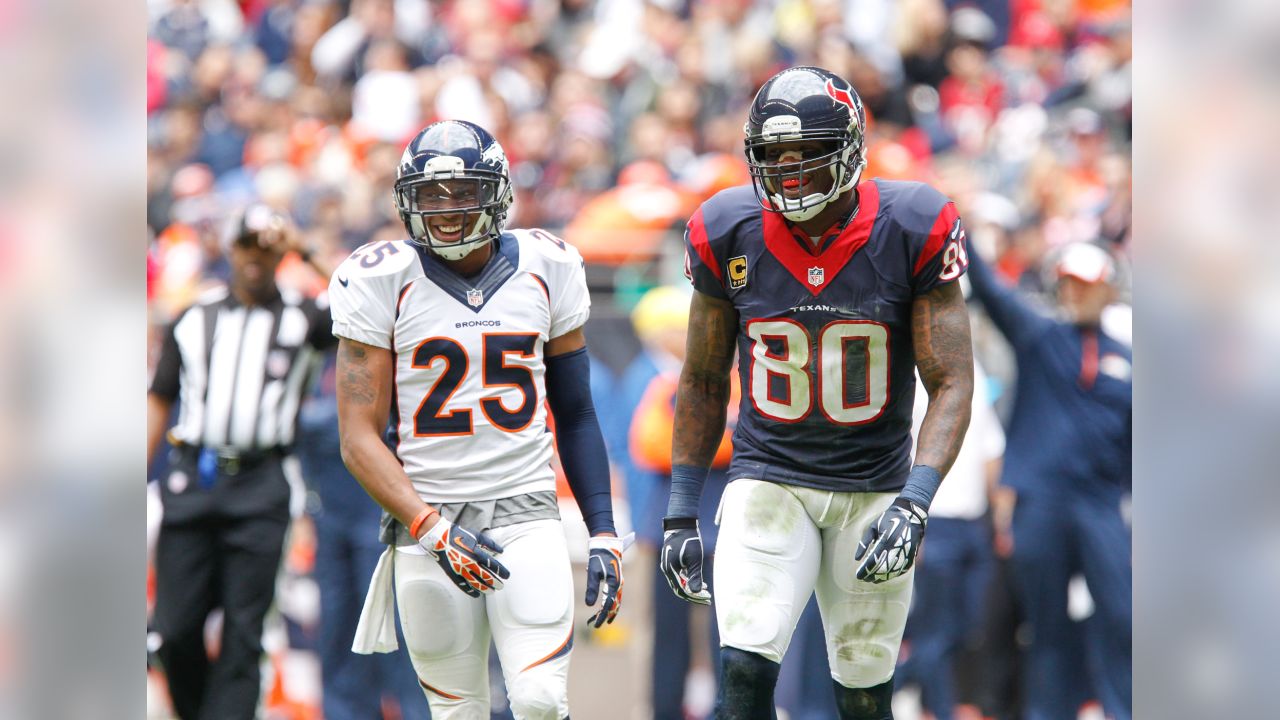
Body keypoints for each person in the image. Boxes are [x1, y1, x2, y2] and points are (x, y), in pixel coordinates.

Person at [658, 66, 975, 719]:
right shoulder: (728, 230)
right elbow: (702, 377)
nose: (790, 173)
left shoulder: (910, 225)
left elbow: (950, 379)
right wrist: (681, 509)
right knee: (742, 676)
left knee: (863, 697)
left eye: (809, 156)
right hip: (770, 477)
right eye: (774, 157)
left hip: (875, 487)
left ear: (852, 151)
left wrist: (916, 502)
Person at [330, 119, 626, 719]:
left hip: (527, 513)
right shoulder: (381, 278)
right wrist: (429, 528)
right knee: (457, 712)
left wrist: (603, 531)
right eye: (431, 195)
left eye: (462, 192)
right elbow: (357, 438)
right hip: (430, 522)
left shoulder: (548, 264)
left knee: (542, 702)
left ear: (496, 193)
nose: (444, 209)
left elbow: (575, 410)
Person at [147, 205, 337, 719]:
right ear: (231, 249)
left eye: (268, 247)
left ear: (281, 254)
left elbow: (363, 301)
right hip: (192, 478)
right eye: (248, 244)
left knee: (245, 634)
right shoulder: (194, 316)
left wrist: (304, 246)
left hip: (262, 484)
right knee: (172, 630)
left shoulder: (306, 315)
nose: (257, 256)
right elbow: (159, 400)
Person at [965, 240, 1132, 720]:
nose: (1075, 294)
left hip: (1100, 505)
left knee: (1122, 617)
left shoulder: (1127, 360)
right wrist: (958, 226)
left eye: (1086, 284)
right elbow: (994, 292)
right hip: (1041, 503)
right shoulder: (1039, 337)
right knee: (1047, 626)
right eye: (1068, 284)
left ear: (1107, 290)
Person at [897, 361, 1005, 720]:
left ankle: (897, 689)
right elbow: (903, 453)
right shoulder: (910, 373)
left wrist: (1001, 519)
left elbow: (991, 446)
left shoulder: (972, 369)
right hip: (936, 521)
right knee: (936, 634)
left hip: (974, 524)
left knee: (967, 627)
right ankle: (931, 707)